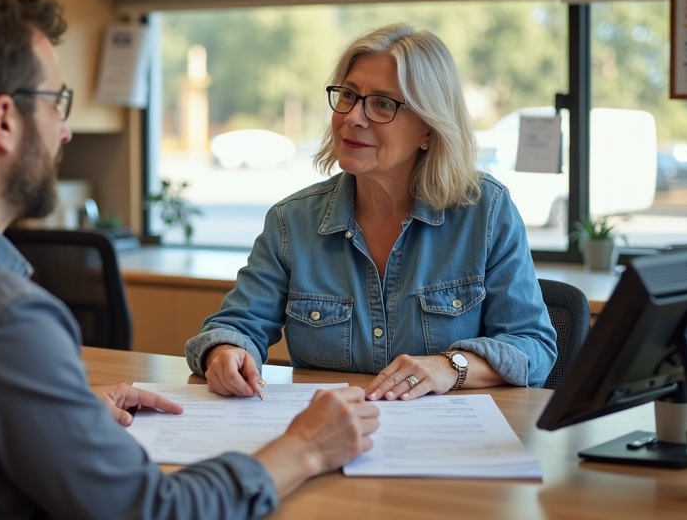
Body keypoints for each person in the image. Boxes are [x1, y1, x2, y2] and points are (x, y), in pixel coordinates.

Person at [0, 0, 379, 520]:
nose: (65, 129)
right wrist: (302, 448)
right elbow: (154, 513)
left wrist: (53, 408)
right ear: (6, 119)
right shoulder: (4, 319)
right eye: (56, 102)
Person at [186, 23, 557, 402]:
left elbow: (534, 347)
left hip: (447, 444)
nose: (353, 117)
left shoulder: (486, 212)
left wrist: (450, 366)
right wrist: (225, 353)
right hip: (329, 436)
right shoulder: (291, 222)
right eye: (348, 95)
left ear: (428, 129)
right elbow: (234, 326)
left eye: (382, 103)